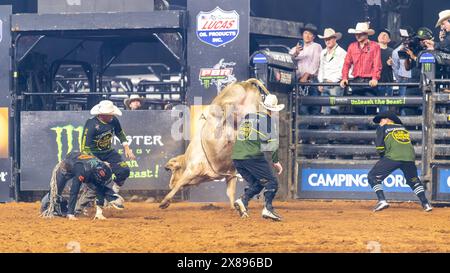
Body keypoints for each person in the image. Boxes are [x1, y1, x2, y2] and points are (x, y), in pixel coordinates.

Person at [232, 94, 284, 221]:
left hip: (237, 157)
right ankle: (268, 209)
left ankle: (243, 200)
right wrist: (276, 161)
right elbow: (273, 144)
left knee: (259, 182)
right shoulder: (269, 121)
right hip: (252, 156)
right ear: (274, 110)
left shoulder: (249, 117)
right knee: (272, 182)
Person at [368, 111, 432, 212]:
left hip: (393, 156)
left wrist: (383, 158)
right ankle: (426, 204)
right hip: (409, 157)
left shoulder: (382, 128)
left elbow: (379, 146)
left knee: (372, 176)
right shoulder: (404, 129)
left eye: (382, 119)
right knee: (414, 180)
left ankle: (382, 200)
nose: (380, 122)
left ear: (389, 120)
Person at [40, 151, 124, 220]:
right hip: (65, 169)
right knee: (55, 192)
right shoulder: (83, 171)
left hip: (82, 166)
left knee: (97, 186)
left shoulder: (100, 166)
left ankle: (113, 197)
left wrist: (99, 213)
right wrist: (70, 214)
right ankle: (45, 207)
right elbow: (74, 191)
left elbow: (99, 188)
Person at [81, 100, 136, 194]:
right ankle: (88, 195)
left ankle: (114, 192)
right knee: (99, 176)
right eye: (110, 114)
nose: (112, 116)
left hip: (108, 152)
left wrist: (127, 148)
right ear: (102, 114)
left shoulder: (113, 120)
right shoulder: (91, 124)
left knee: (124, 170)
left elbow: (120, 133)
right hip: (93, 154)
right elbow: (84, 148)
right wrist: (99, 162)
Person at [340, 22, 382, 116]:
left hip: (370, 81)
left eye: (360, 33)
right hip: (356, 81)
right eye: (356, 34)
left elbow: (377, 64)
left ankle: (370, 129)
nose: (357, 36)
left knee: (372, 107)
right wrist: (344, 77)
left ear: (366, 34)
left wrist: (375, 78)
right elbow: (346, 63)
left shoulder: (375, 46)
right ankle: (361, 127)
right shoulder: (352, 46)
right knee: (356, 107)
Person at [289, 23, 323, 116]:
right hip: (300, 82)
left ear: (313, 37)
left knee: (314, 106)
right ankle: (304, 129)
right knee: (301, 108)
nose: (307, 36)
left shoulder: (316, 46)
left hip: (311, 80)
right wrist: (296, 52)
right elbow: (289, 58)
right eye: (305, 33)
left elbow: (315, 63)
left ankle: (313, 128)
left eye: (310, 34)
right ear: (302, 35)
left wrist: (307, 74)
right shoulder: (296, 48)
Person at [317, 28, 347, 122]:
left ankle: (335, 133)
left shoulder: (342, 52)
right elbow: (321, 68)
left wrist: (333, 80)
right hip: (325, 83)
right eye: (326, 39)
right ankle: (327, 134)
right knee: (325, 111)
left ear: (335, 39)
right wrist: (320, 82)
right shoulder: (323, 52)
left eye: (329, 39)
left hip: (336, 85)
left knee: (335, 110)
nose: (327, 41)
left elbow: (344, 69)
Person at [392, 28, 413, 116]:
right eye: (404, 38)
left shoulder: (415, 48)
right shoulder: (396, 51)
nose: (406, 40)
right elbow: (395, 68)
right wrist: (400, 79)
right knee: (403, 102)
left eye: (408, 38)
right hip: (403, 81)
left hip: (415, 79)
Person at [377, 29, 394, 112]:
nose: (383, 36)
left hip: (387, 82)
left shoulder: (392, 52)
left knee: (385, 108)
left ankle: (384, 124)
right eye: (381, 34)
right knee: (370, 105)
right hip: (375, 82)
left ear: (389, 40)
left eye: (385, 35)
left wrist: (392, 64)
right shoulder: (372, 50)